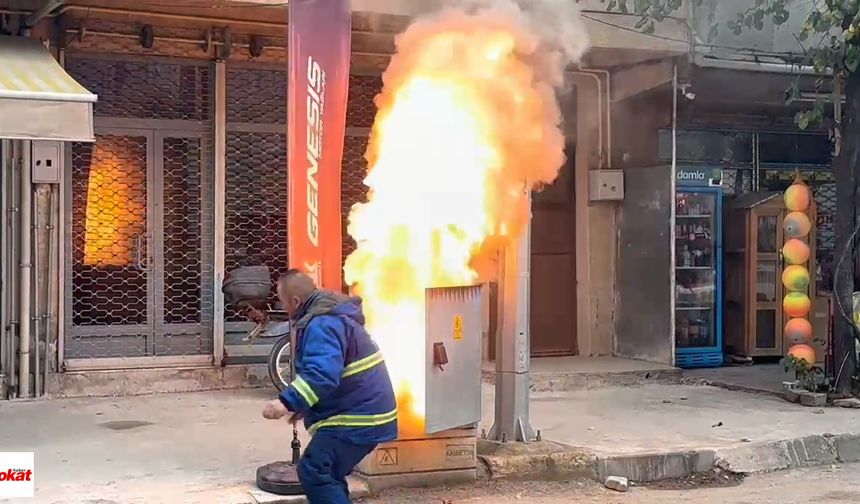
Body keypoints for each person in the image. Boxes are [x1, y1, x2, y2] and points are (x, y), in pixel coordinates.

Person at [262, 269, 398, 503]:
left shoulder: (322, 323)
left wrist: (286, 402)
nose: (283, 308)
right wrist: (304, 407)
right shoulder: (329, 316)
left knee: (315, 471)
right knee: (327, 472)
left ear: (295, 301)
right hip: (364, 411)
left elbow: (322, 374)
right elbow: (335, 373)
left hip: (357, 417)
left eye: (283, 301)